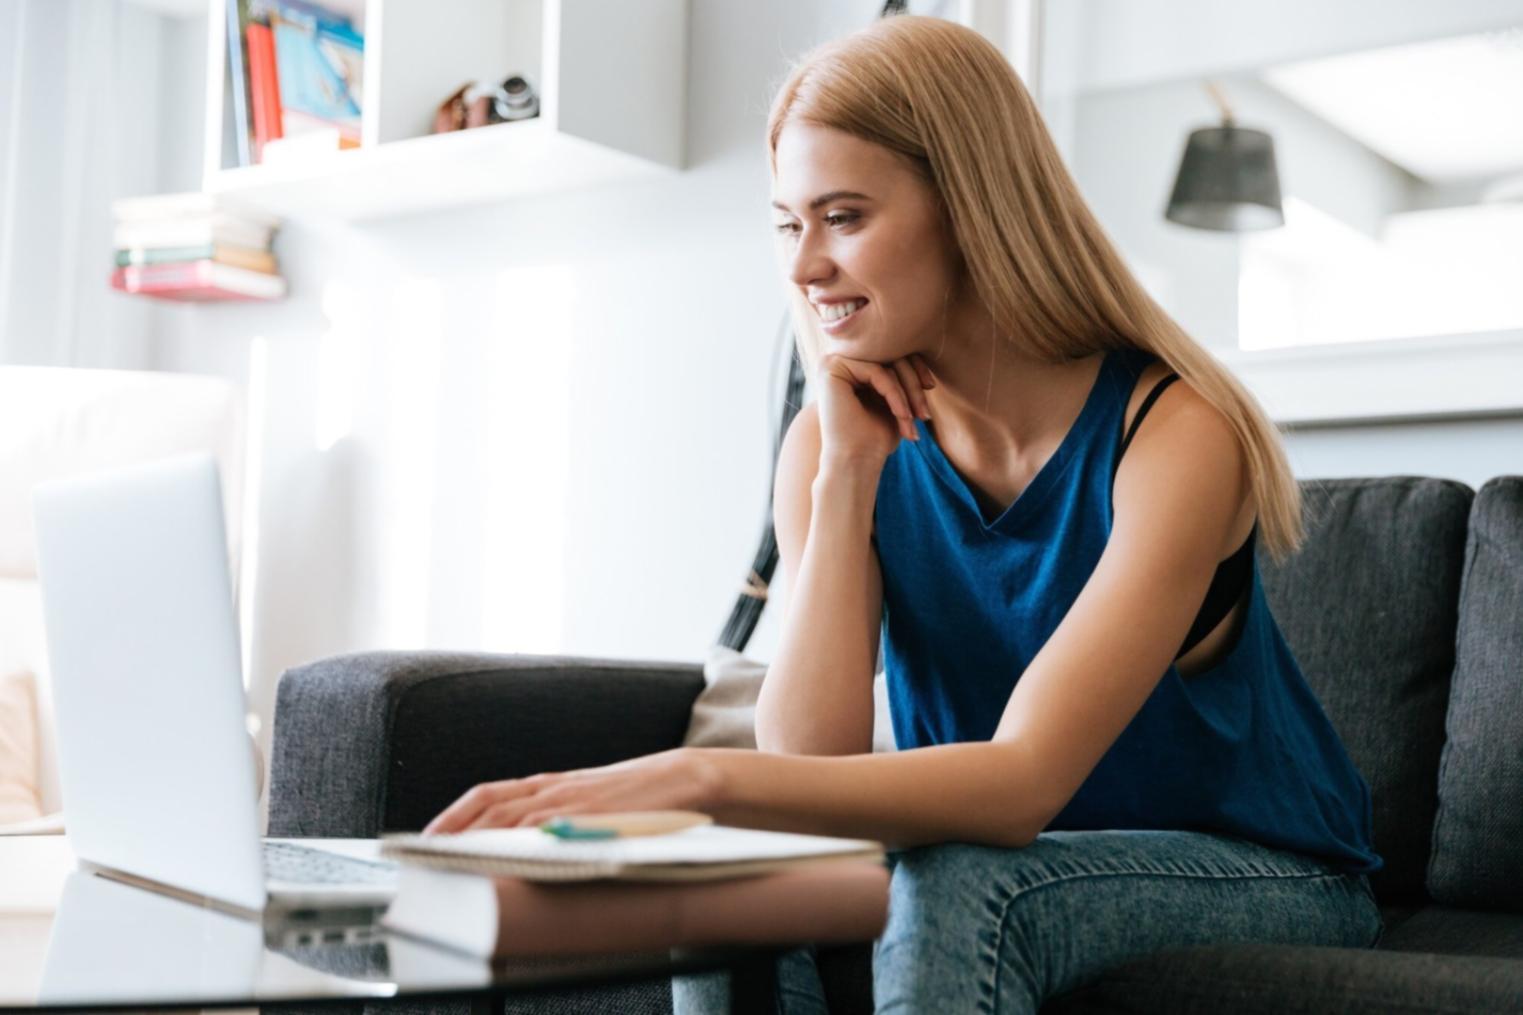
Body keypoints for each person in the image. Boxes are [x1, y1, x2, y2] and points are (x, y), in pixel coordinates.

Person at [422, 15, 1382, 1013]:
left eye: (841, 217)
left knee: (953, 875)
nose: (803, 266)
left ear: (970, 209)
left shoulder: (1175, 434)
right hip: (1011, 855)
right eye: (788, 224)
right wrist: (843, 475)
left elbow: (1021, 783)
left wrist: (699, 779)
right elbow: (809, 769)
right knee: (720, 878)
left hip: (1260, 868)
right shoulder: (832, 443)